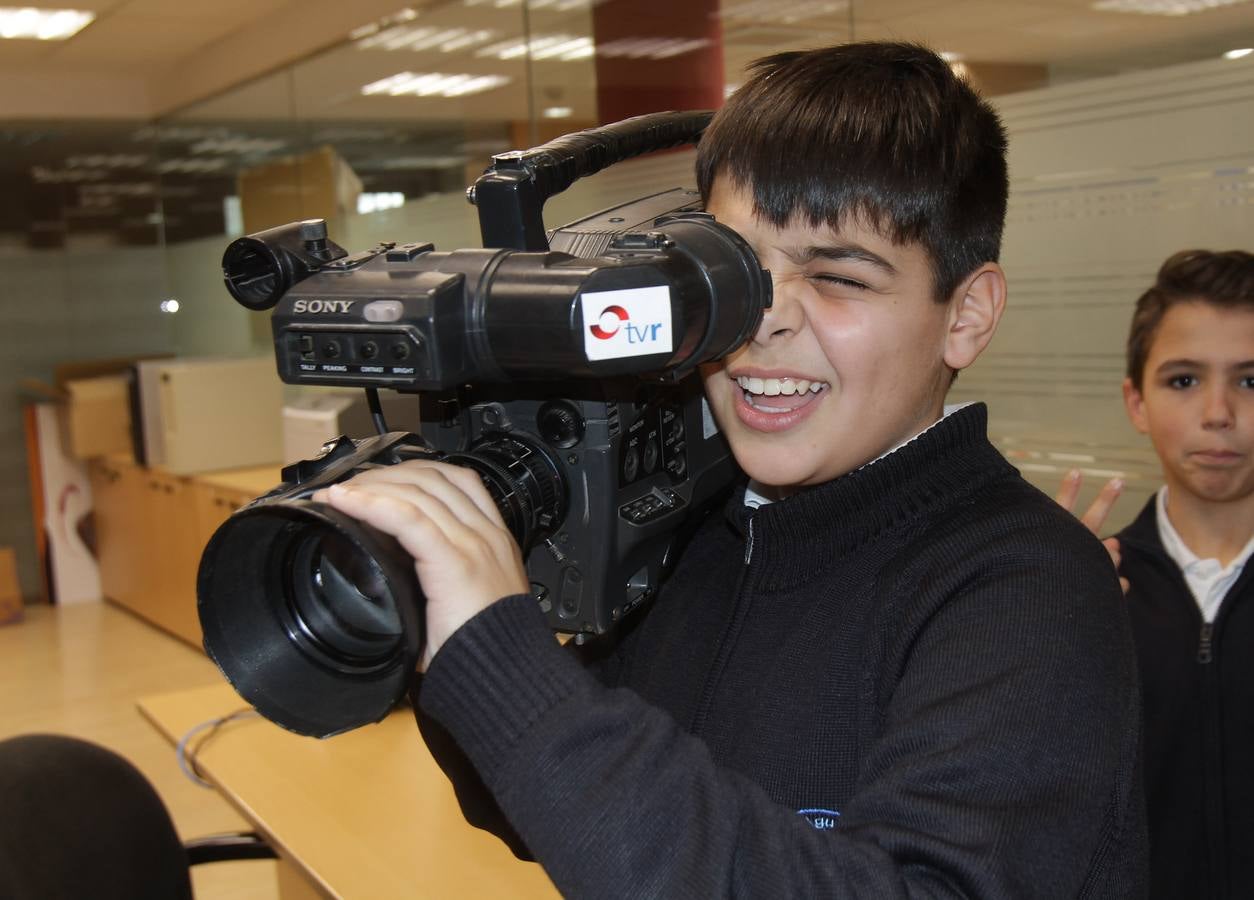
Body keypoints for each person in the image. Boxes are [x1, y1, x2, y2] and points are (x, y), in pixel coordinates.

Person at [318, 42, 1147, 897]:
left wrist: (504, 652)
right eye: (732, 275)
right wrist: (437, 623)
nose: (764, 322)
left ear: (966, 315)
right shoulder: (701, 530)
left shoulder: (1028, 591)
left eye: (837, 277)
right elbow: (542, 807)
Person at [1063, 249, 1254, 899]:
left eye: (1251, 381)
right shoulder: (1093, 586)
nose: (1219, 414)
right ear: (1136, 401)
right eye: (1183, 380)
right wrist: (1037, 633)